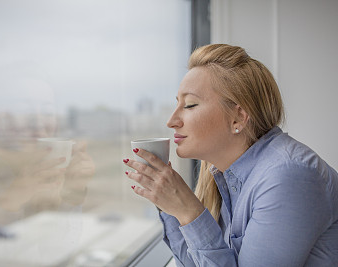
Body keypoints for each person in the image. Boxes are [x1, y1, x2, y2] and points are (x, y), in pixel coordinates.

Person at [123, 44, 338, 266]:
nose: (171, 121)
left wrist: (189, 212)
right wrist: (170, 203)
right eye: (177, 103)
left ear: (238, 117)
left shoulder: (288, 176)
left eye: (189, 105)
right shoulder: (228, 176)